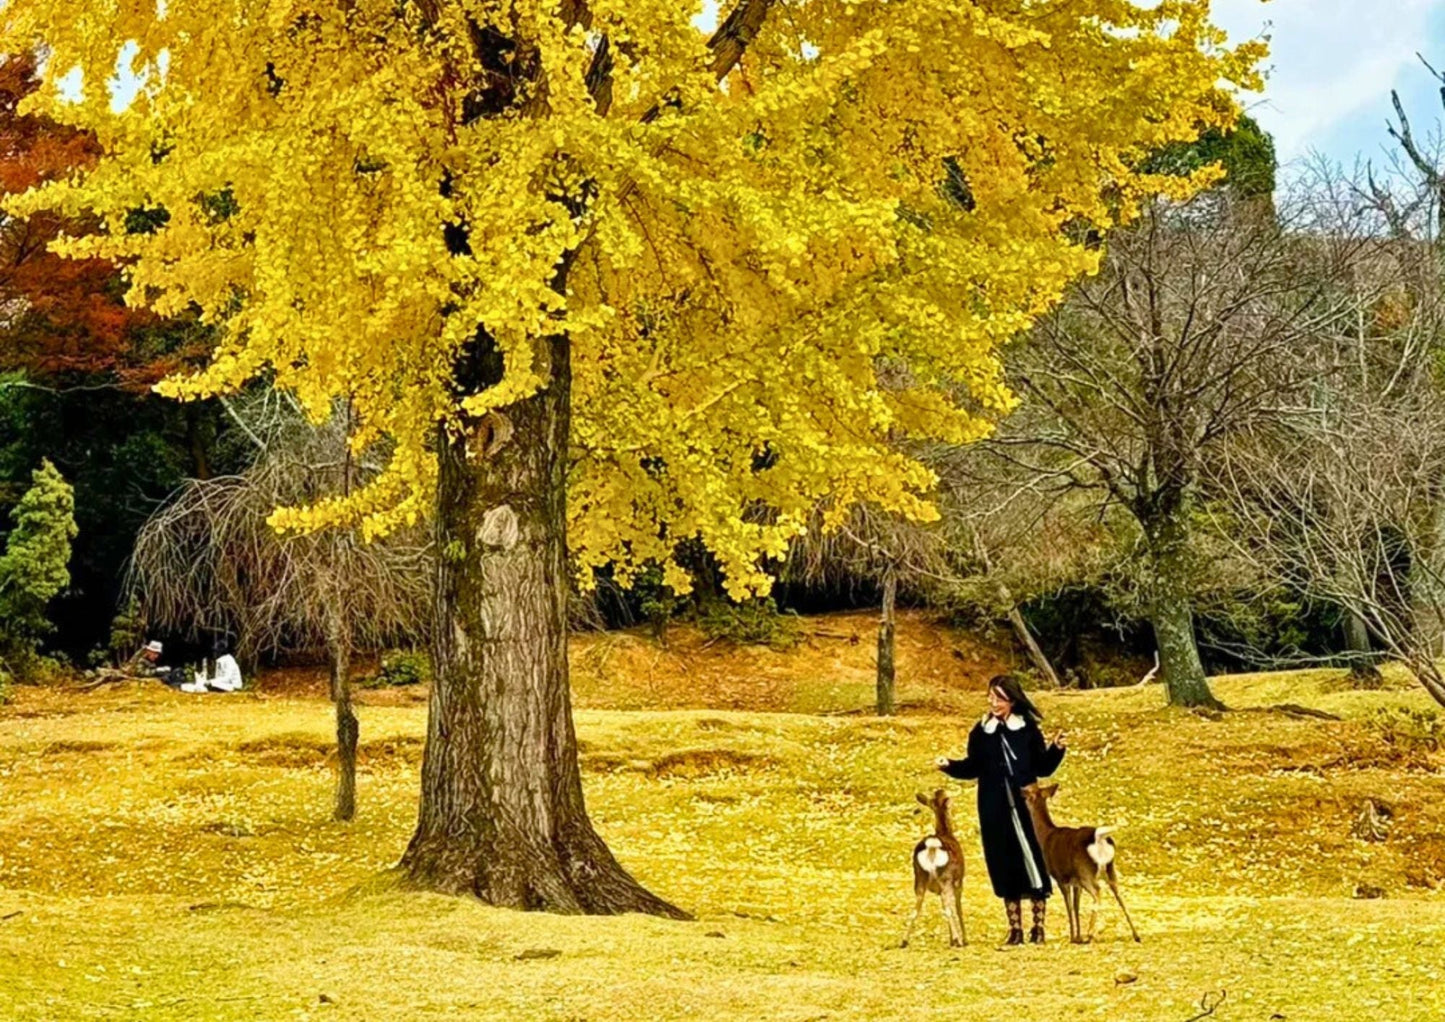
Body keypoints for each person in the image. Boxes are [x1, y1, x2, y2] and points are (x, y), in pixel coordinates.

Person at [936, 673, 1066, 945]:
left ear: (1012, 700)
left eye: (998, 698)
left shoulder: (1027, 729)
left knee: (1032, 859)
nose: (992, 702)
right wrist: (948, 764)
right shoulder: (981, 732)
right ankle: (1015, 929)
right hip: (993, 806)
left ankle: (1038, 928)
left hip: (1025, 806)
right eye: (990, 697)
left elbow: (1042, 766)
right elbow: (972, 767)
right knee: (1003, 862)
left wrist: (1056, 749)